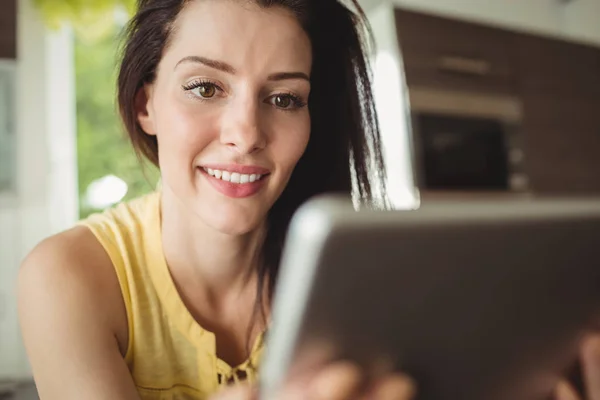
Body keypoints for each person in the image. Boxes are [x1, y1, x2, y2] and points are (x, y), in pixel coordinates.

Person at [17, 0, 414, 399]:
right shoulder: (66, 277)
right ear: (145, 106)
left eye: (284, 99)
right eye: (205, 88)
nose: (246, 135)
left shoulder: (359, 283)